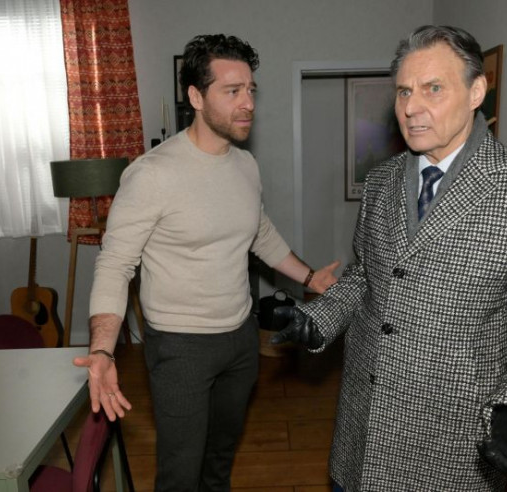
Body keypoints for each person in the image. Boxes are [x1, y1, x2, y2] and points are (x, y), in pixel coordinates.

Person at [272, 25, 507, 491]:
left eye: (432, 88)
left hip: (455, 441)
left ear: (476, 92)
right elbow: (366, 275)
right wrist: (320, 319)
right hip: (363, 423)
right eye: (403, 91)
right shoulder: (381, 181)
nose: (410, 107)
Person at [73, 34, 339, 491]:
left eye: (250, 89)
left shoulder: (246, 165)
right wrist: (102, 350)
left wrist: (310, 277)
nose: (248, 103)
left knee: (219, 462)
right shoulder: (152, 174)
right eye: (232, 91)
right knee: (181, 472)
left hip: (240, 339)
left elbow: (259, 233)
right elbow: (115, 264)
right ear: (196, 97)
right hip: (180, 347)